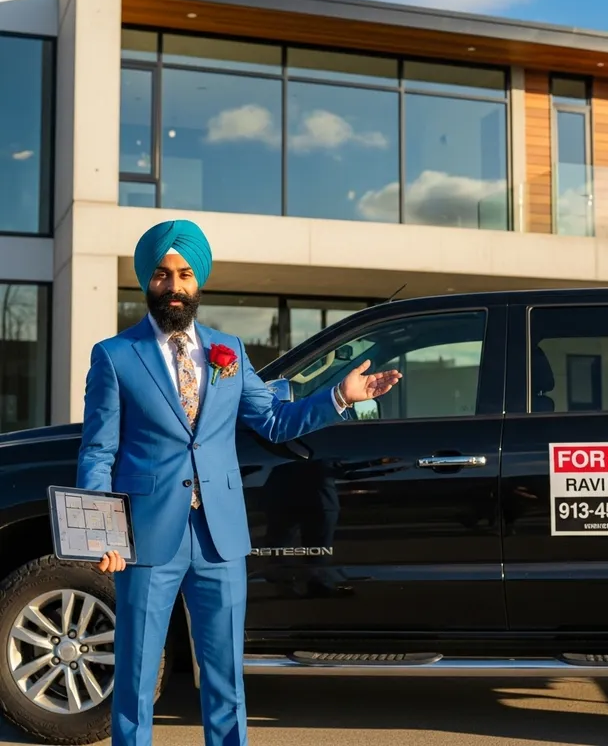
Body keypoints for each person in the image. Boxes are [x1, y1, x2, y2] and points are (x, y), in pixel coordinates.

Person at [76, 219, 401, 746]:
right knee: (135, 678)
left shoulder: (227, 351)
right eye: (162, 274)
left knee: (225, 680)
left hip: (220, 538)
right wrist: (102, 533)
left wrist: (341, 396)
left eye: (184, 274)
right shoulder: (114, 356)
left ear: (198, 281)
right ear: (147, 281)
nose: (173, 285)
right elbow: (98, 451)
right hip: (146, 537)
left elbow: (272, 420)